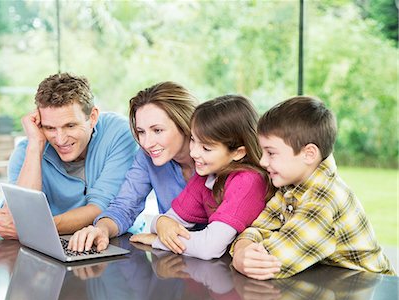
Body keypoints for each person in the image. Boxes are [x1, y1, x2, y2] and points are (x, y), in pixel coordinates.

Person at [231, 96, 395, 280]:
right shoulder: (292, 186)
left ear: (309, 154)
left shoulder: (323, 201)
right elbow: (259, 228)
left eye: (271, 153)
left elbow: (272, 262)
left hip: (370, 288)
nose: (262, 161)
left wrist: (241, 258)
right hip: (332, 282)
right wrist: (243, 249)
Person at [0, 73, 137, 239]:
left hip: (116, 242)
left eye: (70, 126)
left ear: (92, 117)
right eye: (50, 128)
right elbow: (18, 215)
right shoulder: (27, 151)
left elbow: (102, 208)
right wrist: (35, 146)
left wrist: (37, 228)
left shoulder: (119, 134)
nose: (60, 139)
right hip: (50, 246)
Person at [130, 95, 275, 260]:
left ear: (238, 152)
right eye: (193, 140)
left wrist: (158, 240)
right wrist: (161, 222)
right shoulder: (206, 176)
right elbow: (171, 219)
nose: (194, 153)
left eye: (206, 148)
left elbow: (210, 248)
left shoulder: (248, 181)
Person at [68, 81, 198, 252]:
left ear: (185, 123)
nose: (147, 143)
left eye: (157, 130)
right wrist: (101, 229)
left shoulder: (218, 158)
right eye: (141, 132)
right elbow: (125, 206)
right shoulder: (147, 157)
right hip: (179, 259)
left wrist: (156, 230)